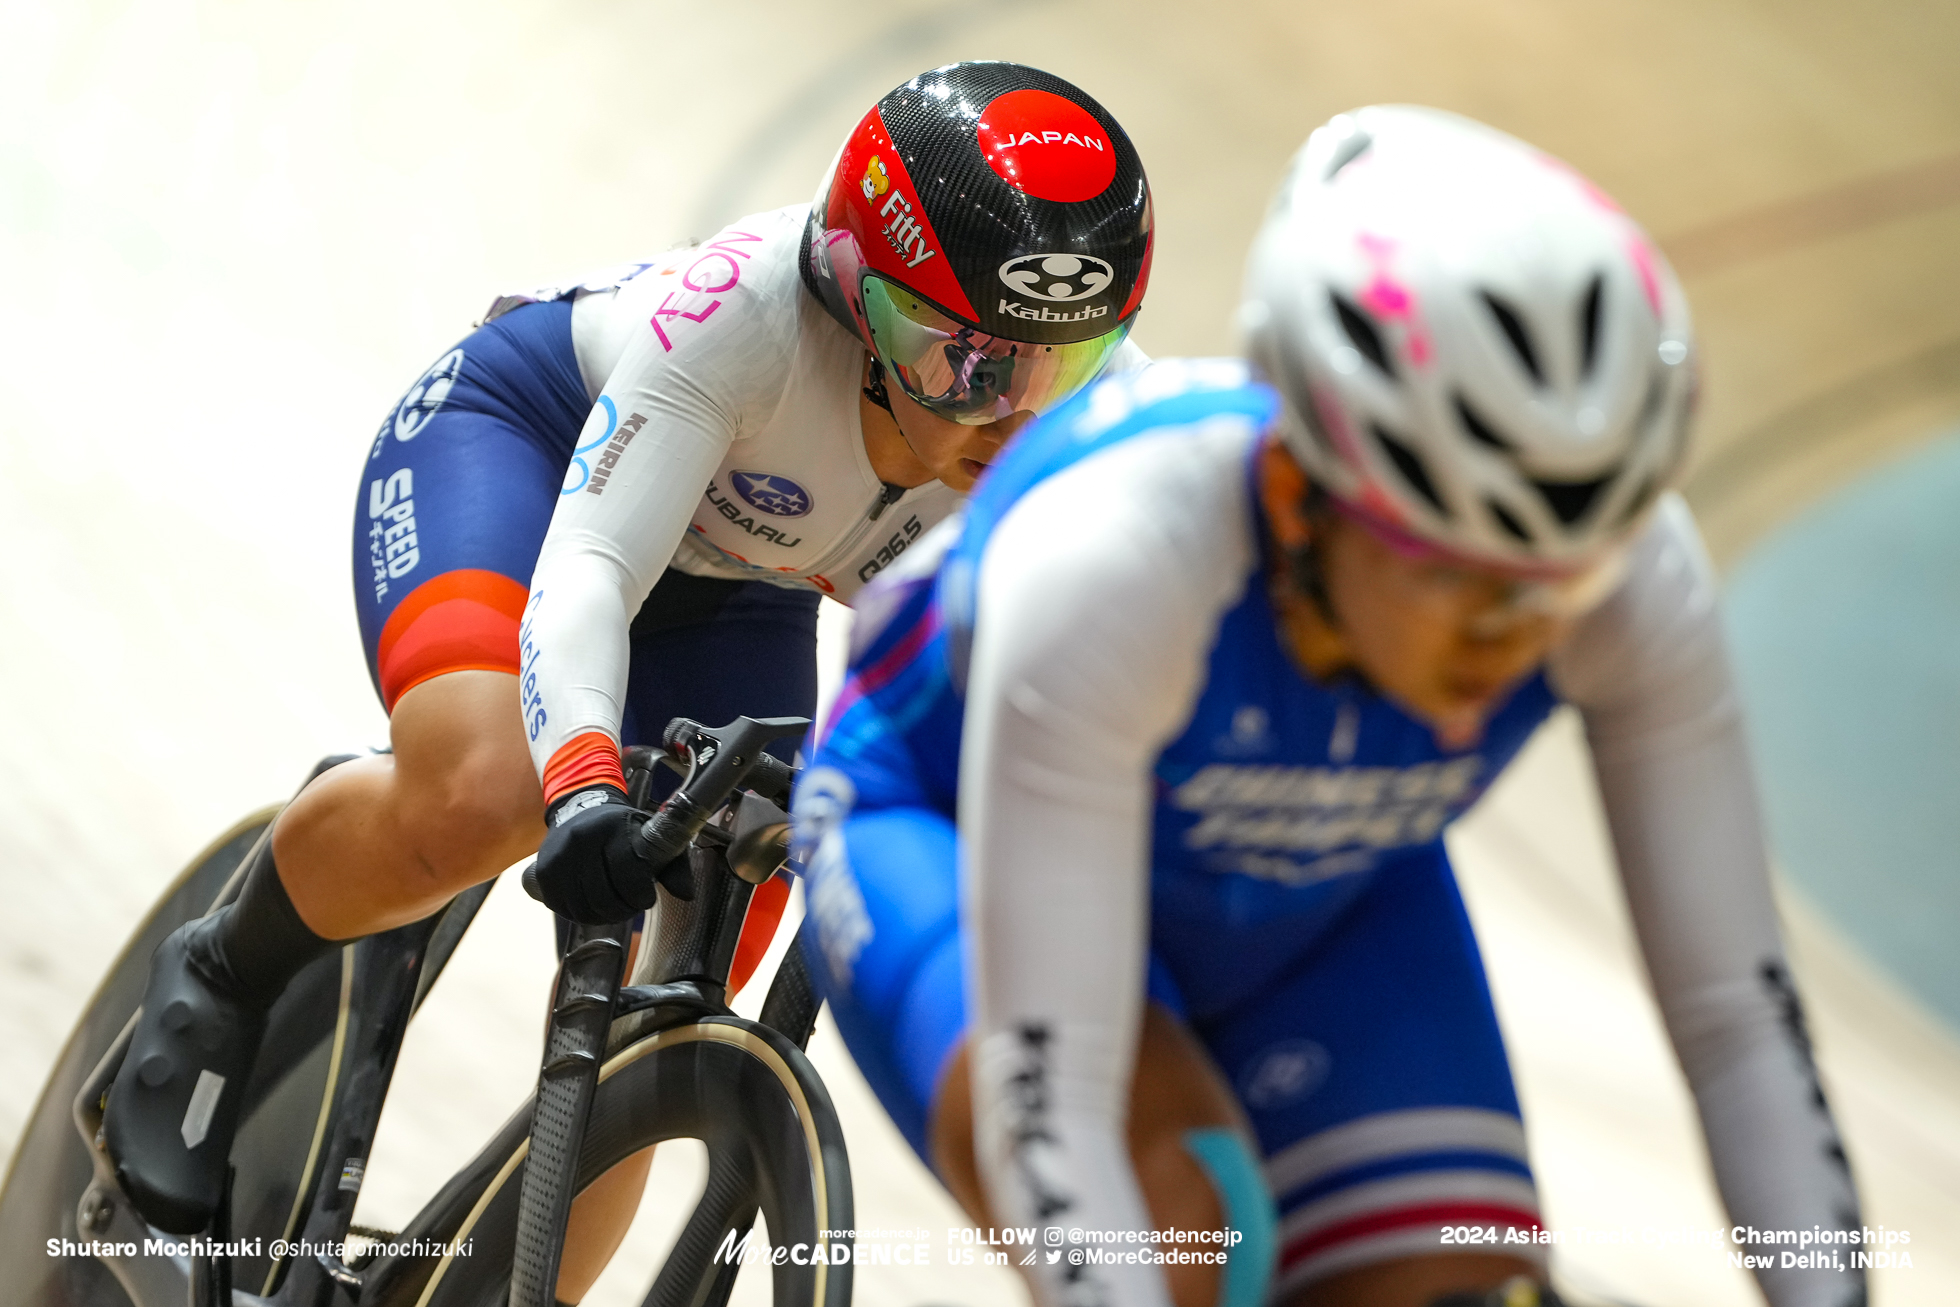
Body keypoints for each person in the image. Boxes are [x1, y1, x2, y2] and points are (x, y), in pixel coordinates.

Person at [102, 59, 1154, 1298]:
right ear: (860, 304)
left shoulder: (1080, 434)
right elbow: (594, 567)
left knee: (692, 954)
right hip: (530, 451)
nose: (1009, 419)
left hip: (737, 578)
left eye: (1060, 370)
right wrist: (586, 781)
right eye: (966, 366)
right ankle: (223, 969)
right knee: (487, 788)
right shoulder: (745, 319)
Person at [796, 106, 1866, 1307]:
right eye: (1452, 582)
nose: (1504, 648)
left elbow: (1735, 1023)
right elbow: (1060, 1105)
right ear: (1302, 497)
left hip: (1318, 894)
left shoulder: (1637, 582)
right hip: (947, 829)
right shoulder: (1122, 564)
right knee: (1186, 1218)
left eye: (1556, 595)